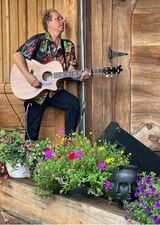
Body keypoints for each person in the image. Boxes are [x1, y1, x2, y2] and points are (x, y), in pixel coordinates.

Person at [13, 9, 91, 141]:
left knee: (73, 104)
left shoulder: (68, 46)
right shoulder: (39, 40)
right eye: (58, 18)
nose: (63, 20)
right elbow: (17, 55)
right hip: (36, 93)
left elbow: (70, 70)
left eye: (62, 18)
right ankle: (30, 158)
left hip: (55, 92)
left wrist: (80, 75)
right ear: (48, 23)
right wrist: (28, 77)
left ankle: (69, 142)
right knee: (31, 135)